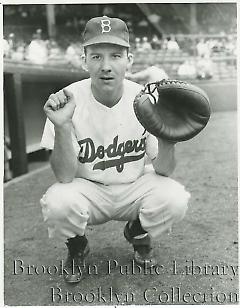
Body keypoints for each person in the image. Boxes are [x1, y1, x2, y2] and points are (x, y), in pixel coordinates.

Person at [40, 16, 190, 284]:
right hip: (88, 189)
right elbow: (63, 176)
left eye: (116, 55)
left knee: (174, 197)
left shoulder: (144, 101)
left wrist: (169, 139)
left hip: (132, 187)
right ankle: (77, 246)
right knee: (58, 202)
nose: (106, 66)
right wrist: (62, 127)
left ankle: (138, 232)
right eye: (96, 56)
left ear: (129, 61)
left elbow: (163, 169)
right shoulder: (68, 99)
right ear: (84, 60)